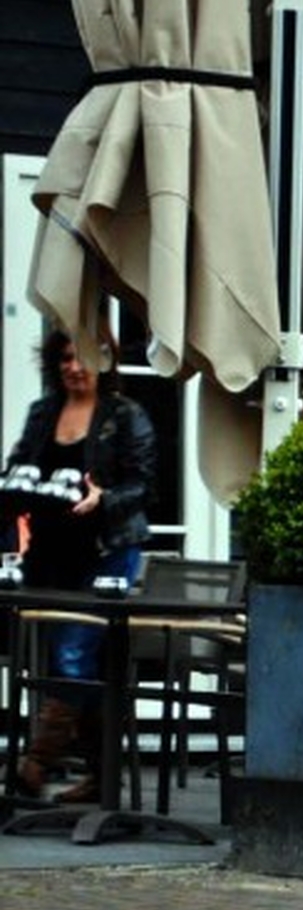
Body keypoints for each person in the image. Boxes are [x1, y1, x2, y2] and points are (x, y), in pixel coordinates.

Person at [5, 329, 156, 803]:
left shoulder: (125, 415)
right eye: (67, 357)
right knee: (67, 661)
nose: (75, 366)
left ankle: (33, 766)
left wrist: (104, 498)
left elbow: (143, 485)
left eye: (87, 356)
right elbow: (18, 465)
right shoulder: (42, 412)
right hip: (51, 553)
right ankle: (101, 775)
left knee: (73, 655)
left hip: (108, 549)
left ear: (108, 359)